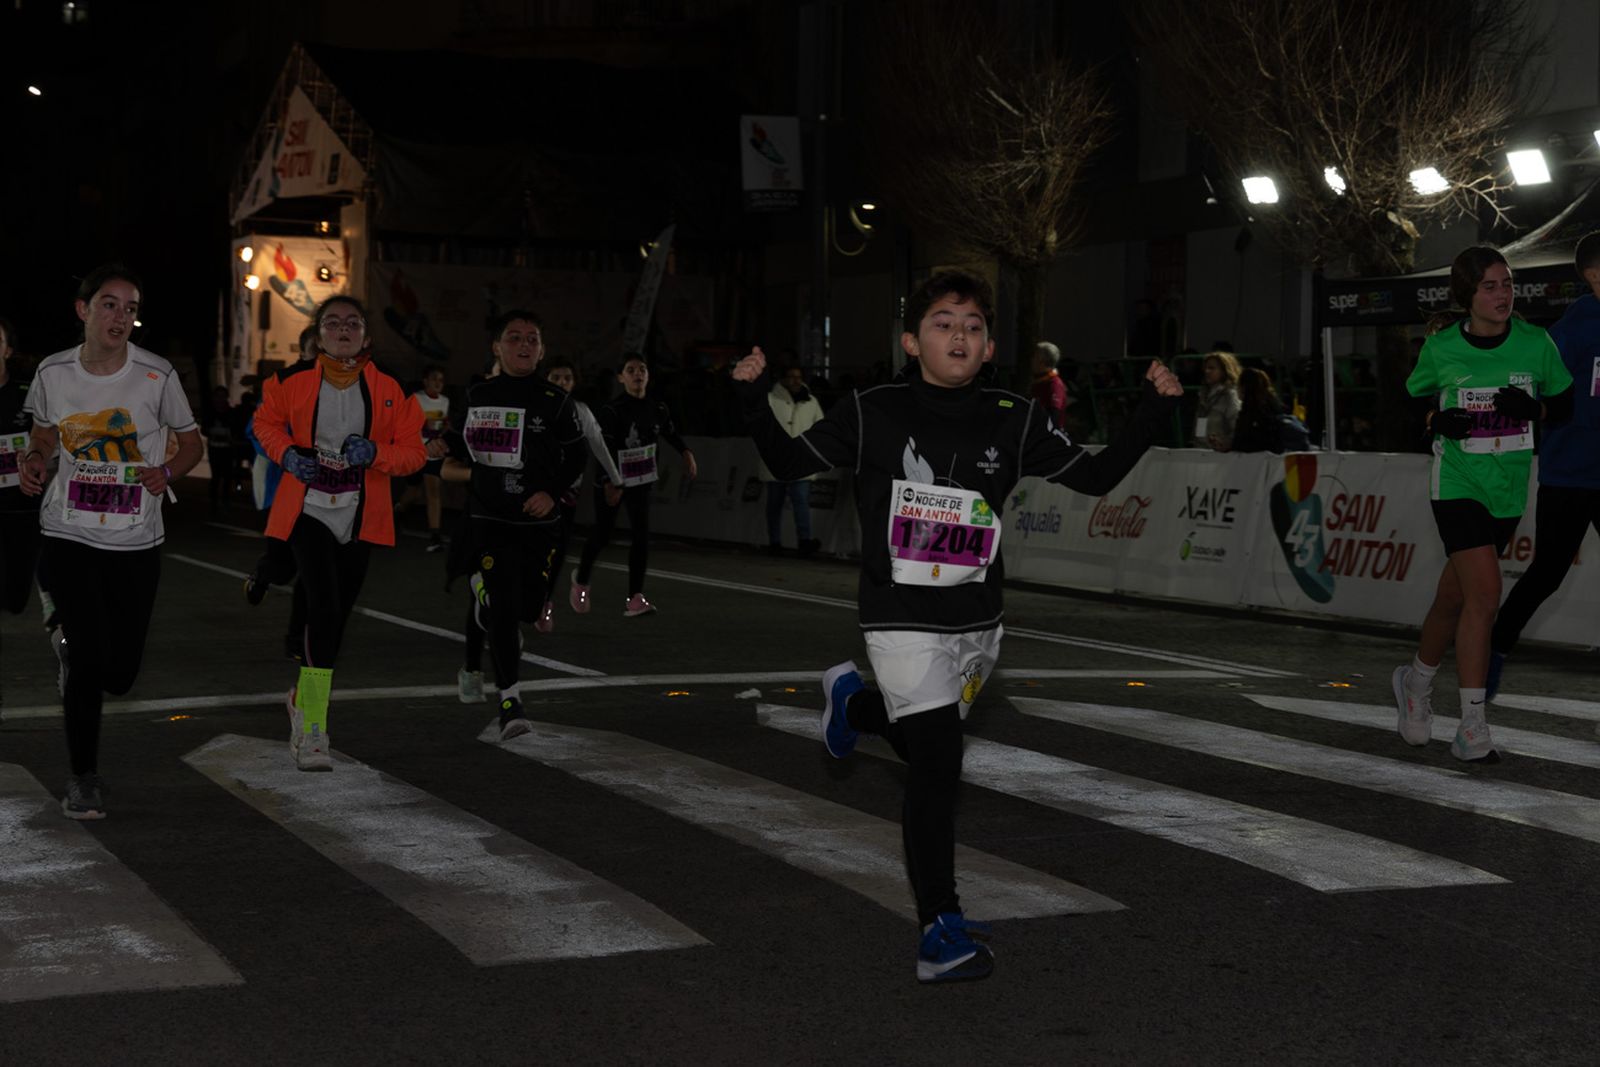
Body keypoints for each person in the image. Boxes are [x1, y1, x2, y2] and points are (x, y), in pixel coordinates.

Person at [731, 270, 1182, 984]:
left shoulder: (1014, 413)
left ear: (991, 343)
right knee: (938, 762)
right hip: (898, 615)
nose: (959, 336)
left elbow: (1093, 479)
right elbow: (787, 461)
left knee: (924, 742)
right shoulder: (872, 408)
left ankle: (855, 704)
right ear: (911, 341)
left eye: (972, 325)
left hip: (977, 619)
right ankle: (939, 927)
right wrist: (754, 398)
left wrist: (1153, 414)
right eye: (942, 323)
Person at [16, 264, 203, 818]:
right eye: (109, 304)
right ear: (83, 311)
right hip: (68, 531)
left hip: (135, 539)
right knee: (91, 664)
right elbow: (45, 431)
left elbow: (190, 445)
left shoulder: (156, 375)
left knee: (119, 675)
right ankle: (83, 777)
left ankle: (69, 648)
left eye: (129, 307)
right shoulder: (52, 372)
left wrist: (165, 474)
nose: (121, 316)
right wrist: (35, 458)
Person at [1393, 246, 1572, 762]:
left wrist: (1533, 408)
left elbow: (1563, 403)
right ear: (1467, 296)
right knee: (1487, 595)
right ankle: (1472, 725)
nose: (1503, 295)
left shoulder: (1537, 343)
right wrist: (1433, 422)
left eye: (1508, 284)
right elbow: (1409, 399)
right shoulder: (1443, 348)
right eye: (1490, 286)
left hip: (1507, 489)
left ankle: (1415, 682)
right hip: (1456, 484)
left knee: (1454, 598)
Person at [253, 295, 426, 771]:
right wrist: (287, 454)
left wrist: (375, 453)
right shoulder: (289, 381)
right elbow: (264, 424)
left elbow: (415, 452)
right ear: (318, 334)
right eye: (334, 323)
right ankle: (313, 727)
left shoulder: (393, 389)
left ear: (367, 336)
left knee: (335, 619)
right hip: (306, 509)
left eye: (353, 323)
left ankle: (300, 697)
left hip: (360, 514)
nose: (343, 329)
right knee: (324, 608)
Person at [442, 312, 585, 734]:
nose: (523, 345)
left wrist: (550, 492)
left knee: (527, 608)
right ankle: (511, 703)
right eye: (514, 337)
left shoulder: (556, 401)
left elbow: (577, 456)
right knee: (502, 610)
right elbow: (459, 442)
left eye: (532, 339)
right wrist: (438, 444)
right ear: (497, 347)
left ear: (541, 350)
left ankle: (482, 592)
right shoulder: (478, 394)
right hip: (490, 518)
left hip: (538, 523)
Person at [1487, 232, 1600, 709]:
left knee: (1547, 573)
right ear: (1594, 275)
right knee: (1548, 573)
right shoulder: (1575, 325)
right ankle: (1490, 651)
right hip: (1570, 474)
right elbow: (1532, 384)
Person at [569, 354, 697, 616]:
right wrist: (609, 482)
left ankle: (635, 598)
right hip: (613, 480)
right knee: (603, 534)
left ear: (648, 375)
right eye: (631, 370)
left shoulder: (657, 408)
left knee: (641, 535)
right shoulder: (612, 410)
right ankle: (581, 580)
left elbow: (669, 432)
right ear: (621, 377)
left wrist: (685, 452)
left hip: (641, 479)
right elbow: (602, 448)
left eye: (642, 369)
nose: (637, 374)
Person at [533, 357, 622, 636]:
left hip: (566, 491)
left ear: (574, 382)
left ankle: (545, 602)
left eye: (567, 378)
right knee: (529, 547)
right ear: (546, 379)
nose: (561, 383)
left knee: (558, 548)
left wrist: (615, 478)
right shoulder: (533, 406)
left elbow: (598, 444)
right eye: (556, 377)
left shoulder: (580, 411)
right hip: (533, 489)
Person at [244, 324, 317, 660]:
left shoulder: (341, 386)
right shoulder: (283, 382)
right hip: (281, 489)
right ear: (305, 349)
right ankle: (263, 573)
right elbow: (256, 431)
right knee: (285, 567)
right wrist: (287, 455)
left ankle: (296, 640)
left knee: (312, 569)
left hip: (320, 494)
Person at [0, 315, 44, 623]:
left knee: (15, 600)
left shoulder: (27, 395)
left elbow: (48, 444)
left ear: (7, 351)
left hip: (20, 514)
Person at [758, 363, 825, 556]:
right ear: (783, 379)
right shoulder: (771, 399)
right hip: (777, 459)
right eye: (791, 376)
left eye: (798, 376)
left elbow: (820, 425)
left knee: (801, 503)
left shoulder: (811, 401)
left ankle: (804, 541)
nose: (796, 380)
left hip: (801, 460)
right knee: (774, 504)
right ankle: (775, 542)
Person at [398, 364, 451, 551]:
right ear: (425, 381)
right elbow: (404, 426)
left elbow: (444, 423)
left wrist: (444, 430)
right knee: (413, 493)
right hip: (415, 453)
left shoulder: (445, 401)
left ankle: (435, 535)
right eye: (434, 379)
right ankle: (396, 513)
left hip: (433, 455)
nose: (438, 383)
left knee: (433, 491)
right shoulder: (416, 399)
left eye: (441, 380)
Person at [1225, 367, 1307, 453]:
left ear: (1243, 388)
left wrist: (1231, 446)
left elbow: (1248, 443)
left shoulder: (1251, 414)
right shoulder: (1275, 406)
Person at [1193, 350, 1241, 450]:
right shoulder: (1204, 394)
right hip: (1201, 450)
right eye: (1205, 368)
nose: (1207, 371)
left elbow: (1235, 426)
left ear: (1224, 371)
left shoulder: (1230, 395)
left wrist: (1225, 444)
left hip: (1220, 454)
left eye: (1212, 368)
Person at [1029, 341, 1068, 429]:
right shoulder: (1038, 382)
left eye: (1035, 356)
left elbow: (1053, 416)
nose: (1031, 359)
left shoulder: (1054, 384)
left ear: (1043, 361)